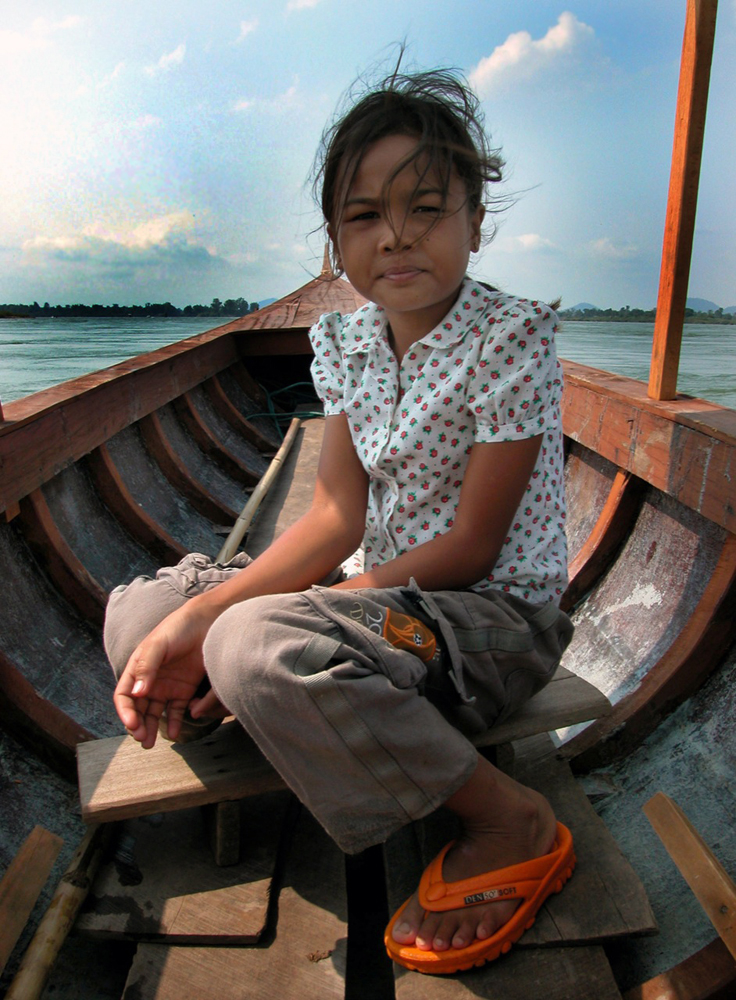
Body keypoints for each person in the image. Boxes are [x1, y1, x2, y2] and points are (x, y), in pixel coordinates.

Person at [107, 65, 575, 976]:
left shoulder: (512, 336)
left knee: (252, 642)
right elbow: (331, 516)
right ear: (336, 238)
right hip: (392, 614)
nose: (395, 235)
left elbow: (474, 546)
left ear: (476, 223)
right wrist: (200, 617)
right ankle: (278, 700)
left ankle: (504, 815)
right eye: (364, 216)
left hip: (490, 624)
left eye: (427, 208)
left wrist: (253, 622)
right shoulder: (344, 341)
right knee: (144, 615)